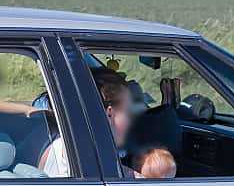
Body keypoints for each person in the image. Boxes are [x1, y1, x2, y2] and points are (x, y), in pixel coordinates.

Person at [40, 67, 178, 179]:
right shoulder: (118, 176)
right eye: (128, 113)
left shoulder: (53, 148)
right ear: (109, 114)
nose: (131, 121)